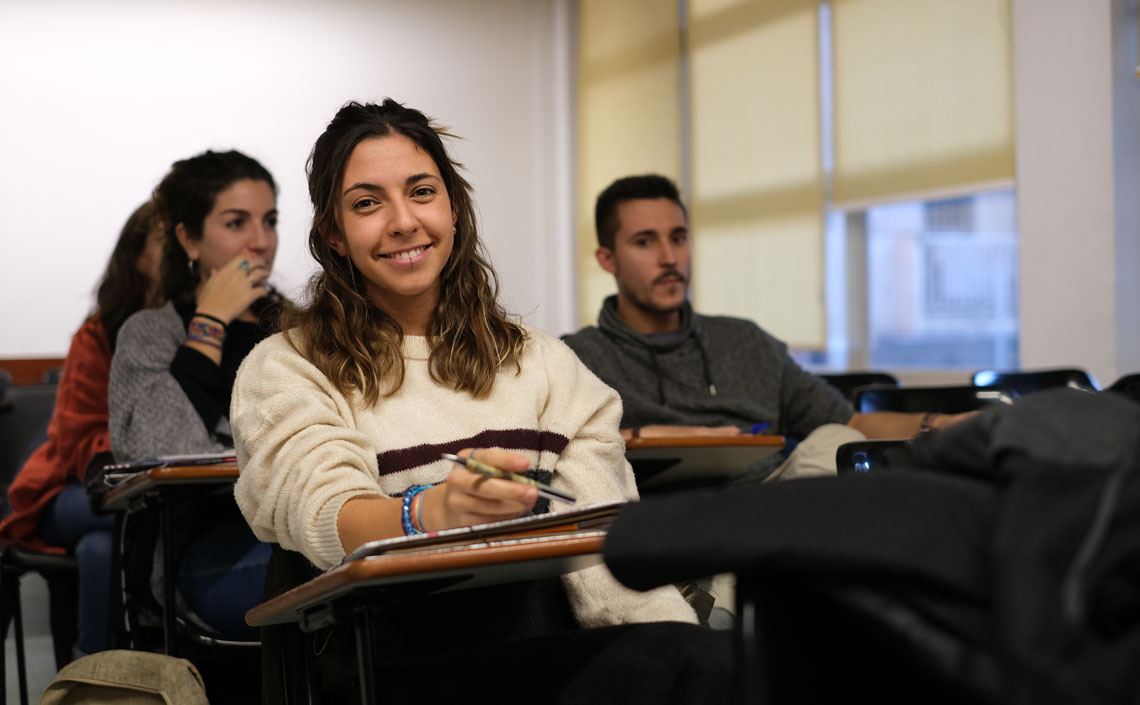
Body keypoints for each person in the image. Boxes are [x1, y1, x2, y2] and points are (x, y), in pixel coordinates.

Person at [230, 100, 731, 704]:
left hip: (557, 649)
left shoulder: (542, 363)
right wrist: (429, 515)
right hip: (388, 666)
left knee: (731, 660)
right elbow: (322, 510)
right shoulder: (286, 367)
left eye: (422, 192)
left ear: (455, 209)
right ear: (333, 234)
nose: (402, 221)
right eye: (367, 203)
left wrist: (691, 645)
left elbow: (605, 562)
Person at [563, 174, 973, 482]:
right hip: (663, 525)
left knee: (832, 441)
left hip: (772, 507)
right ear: (607, 259)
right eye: (645, 242)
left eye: (679, 237)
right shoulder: (576, 359)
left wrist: (940, 426)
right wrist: (651, 436)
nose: (670, 257)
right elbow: (553, 458)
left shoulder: (744, 341)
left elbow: (849, 424)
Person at [108, 149, 281, 640]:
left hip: (300, 523)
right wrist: (210, 323)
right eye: (236, 223)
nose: (261, 241)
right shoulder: (150, 333)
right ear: (188, 238)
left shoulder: (296, 328)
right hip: (205, 543)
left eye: (269, 220)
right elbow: (158, 450)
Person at [0, 199, 165, 657]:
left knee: (100, 546)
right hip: (73, 490)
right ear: (136, 256)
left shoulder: (197, 328)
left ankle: (95, 679)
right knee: (143, 514)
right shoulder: (98, 334)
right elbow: (80, 439)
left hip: (135, 501)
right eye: (167, 242)